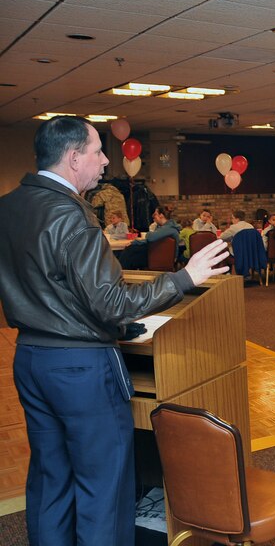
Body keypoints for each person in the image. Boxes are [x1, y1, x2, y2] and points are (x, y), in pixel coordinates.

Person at [0, 115, 229, 544]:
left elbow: (48, 284)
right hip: (80, 367)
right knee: (102, 485)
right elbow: (110, 303)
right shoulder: (73, 216)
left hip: (30, 357)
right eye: (96, 151)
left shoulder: (9, 206)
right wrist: (186, 278)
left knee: (50, 478)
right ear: (72, 158)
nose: (106, 160)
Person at [118, 206, 183, 269]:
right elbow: (152, 241)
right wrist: (135, 242)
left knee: (130, 252)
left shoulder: (169, 228)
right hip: (158, 254)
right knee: (131, 251)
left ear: (161, 215)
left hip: (160, 258)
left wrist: (147, 234)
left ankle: (120, 272)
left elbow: (150, 238)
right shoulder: (166, 228)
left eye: (155, 214)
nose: (154, 216)